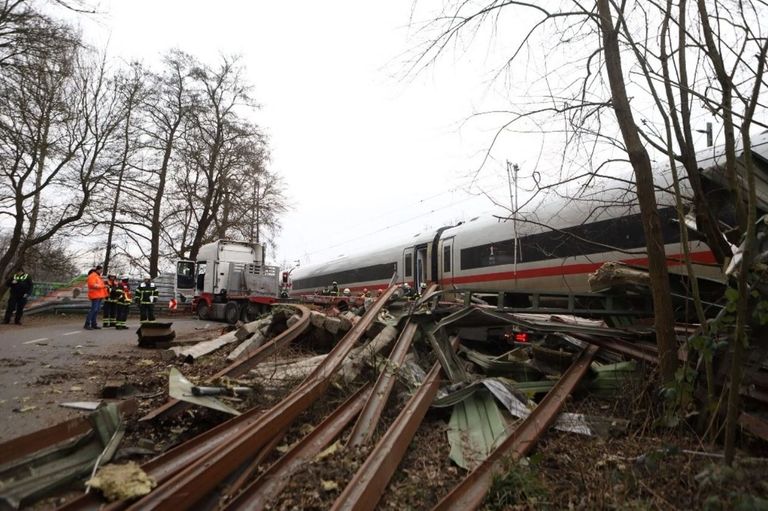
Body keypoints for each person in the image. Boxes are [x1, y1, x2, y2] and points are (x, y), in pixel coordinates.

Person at [85, 265, 108, 330]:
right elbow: (93, 285)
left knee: (96, 310)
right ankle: (87, 324)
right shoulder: (92, 276)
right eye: (100, 270)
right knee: (93, 310)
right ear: (97, 270)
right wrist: (103, 286)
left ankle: (93, 324)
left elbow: (100, 285)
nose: (101, 271)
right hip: (95, 295)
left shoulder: (98, 277)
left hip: (99, 295)